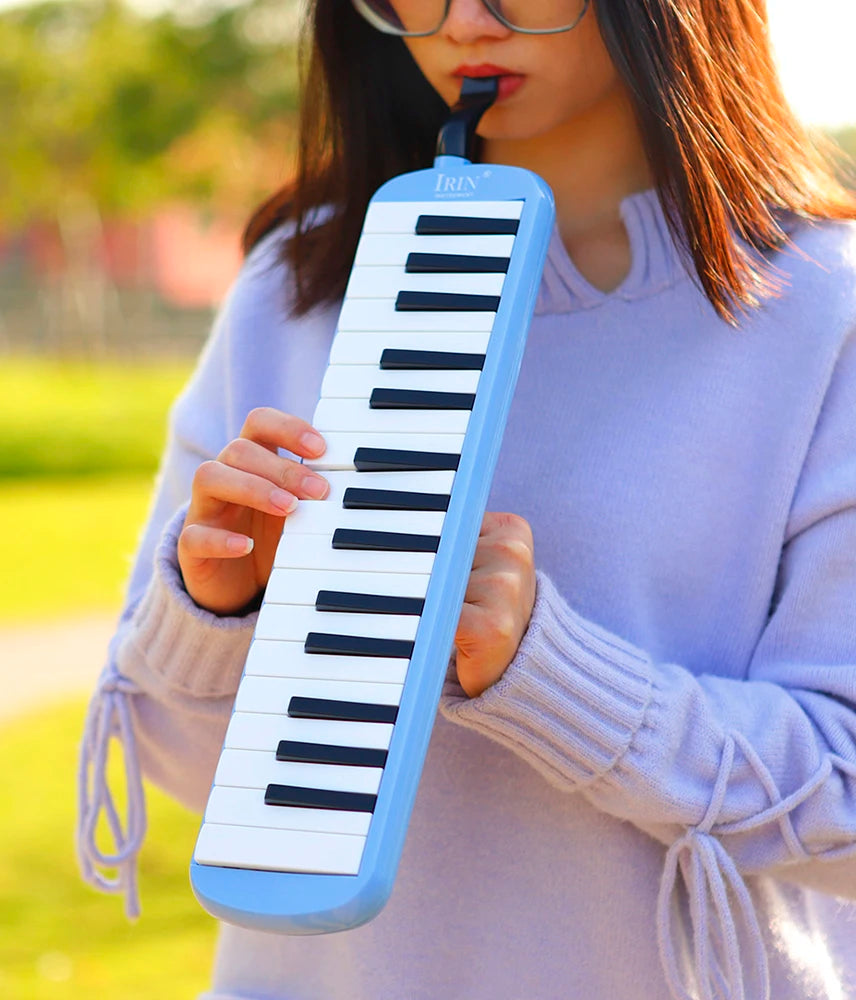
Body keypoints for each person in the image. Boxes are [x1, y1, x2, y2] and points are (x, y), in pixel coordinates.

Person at [77, 0, 856, 997]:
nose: (464, 22)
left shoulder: (825, 315)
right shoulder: (295, 286)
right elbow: (179, 773)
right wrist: (216, 611)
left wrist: (547, 673)